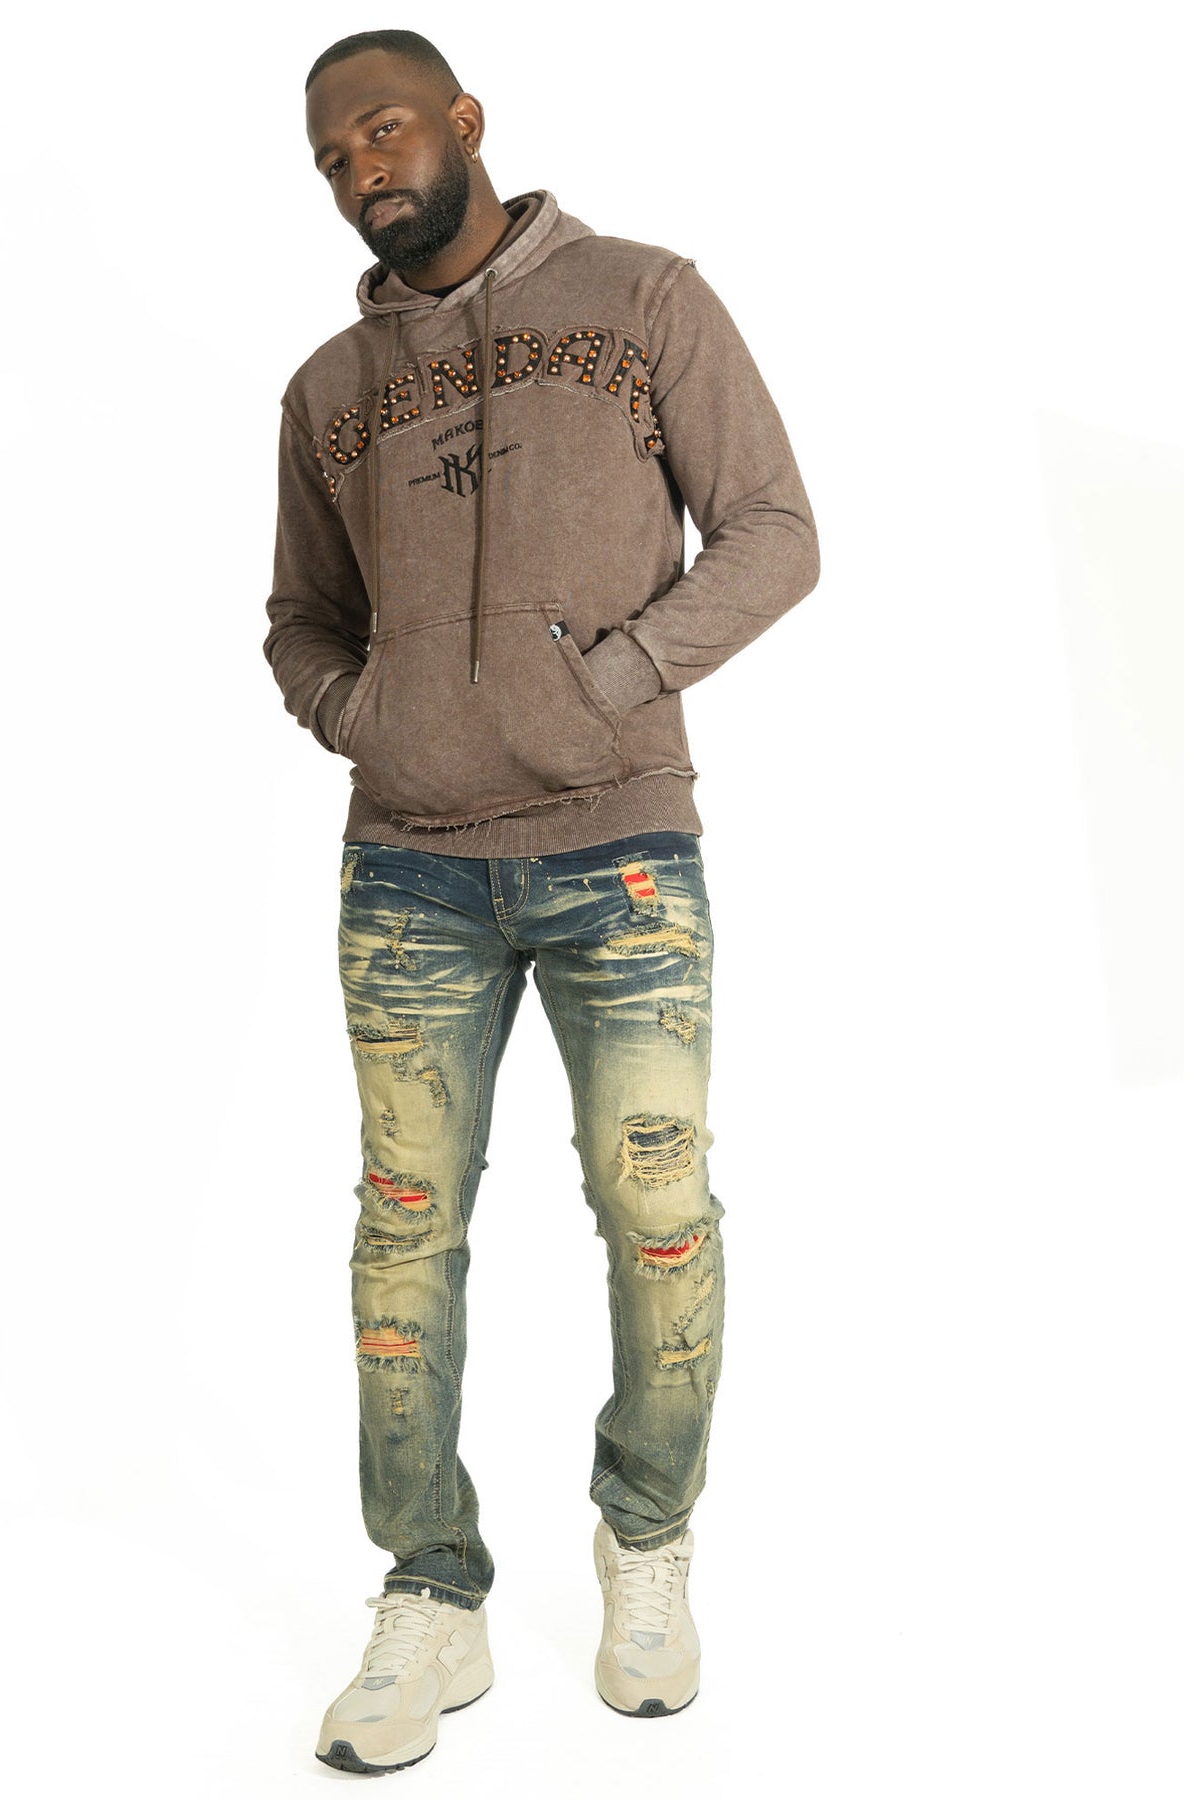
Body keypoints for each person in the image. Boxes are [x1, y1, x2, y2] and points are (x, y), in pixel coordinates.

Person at [263, 28, 820, 1775]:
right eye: (331, 151)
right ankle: (429, 1591)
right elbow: (299, 620)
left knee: (657, 1211)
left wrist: (616, 677)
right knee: (401, 1233)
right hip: (409, 868)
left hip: (617, 849)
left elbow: (773, 530)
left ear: (464, 121)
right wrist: (364, 712)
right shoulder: (325, 392)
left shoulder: (643, 299)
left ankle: (643, 1545)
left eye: (383, 126)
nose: (362, 163)